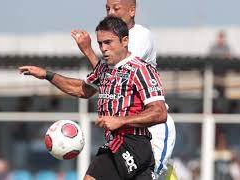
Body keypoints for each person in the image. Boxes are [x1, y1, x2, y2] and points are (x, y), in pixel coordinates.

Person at [19, 16, 168, 180]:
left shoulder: (141, 70)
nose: (103, 48)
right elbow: (81, 89)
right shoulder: (104, 69)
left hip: (131, 142)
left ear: (124, 41)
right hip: (125, 146)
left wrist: (121, 121)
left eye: (108, 42)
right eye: (100, 43)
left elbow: (159, 112)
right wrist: (47, 75)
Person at [71, 0, 176, 178]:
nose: (110, 12)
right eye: (107, 8)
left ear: (132, 10)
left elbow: (114, 74)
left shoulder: (141, 36)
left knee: (155, 175)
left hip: (154, 128)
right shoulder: (112, 41)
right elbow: (98, 81)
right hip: (127, 134)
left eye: (116, 8)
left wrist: (89, 51)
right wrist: (47, 75)